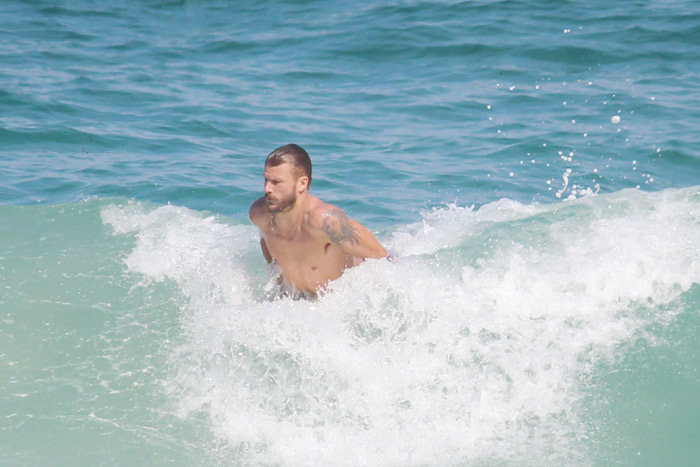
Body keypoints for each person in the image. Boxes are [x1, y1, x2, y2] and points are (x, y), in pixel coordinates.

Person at [249, 144, 387, 297]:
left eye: (276, 182)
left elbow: (380, 255)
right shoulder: (259, 215)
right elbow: (266, 242)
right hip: (303, 305)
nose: (267, 189)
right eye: (266, 180)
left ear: (302, 183)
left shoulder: (325, 222)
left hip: (338, 303)